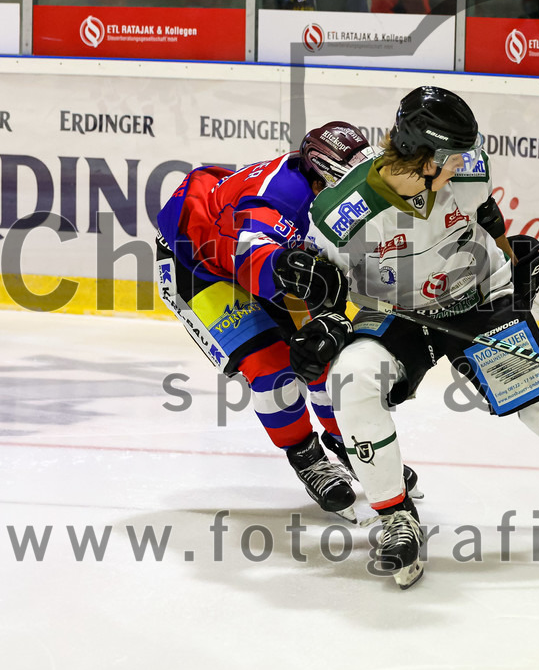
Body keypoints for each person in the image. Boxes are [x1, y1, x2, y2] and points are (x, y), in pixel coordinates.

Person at [292, 86, 539, 589]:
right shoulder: (341, 213)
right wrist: (317, 326)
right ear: (418, 154)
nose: (464, 163)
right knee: (350, 380)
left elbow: (487, 214)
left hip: (480, 300)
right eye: (451, 157)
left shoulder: (469, 172)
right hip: (399, 315)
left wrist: (510, 257)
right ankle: (395, 519)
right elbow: (313, 281)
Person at [155, 122, 419, 520]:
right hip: (201, 267)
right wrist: (282, 265)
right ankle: (306, 457)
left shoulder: (334, 190)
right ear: (319, 174)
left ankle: (349, 441)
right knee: (271, 369)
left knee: (325, 359)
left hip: (267, 258)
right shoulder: (280, 197)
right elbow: (249, 254)